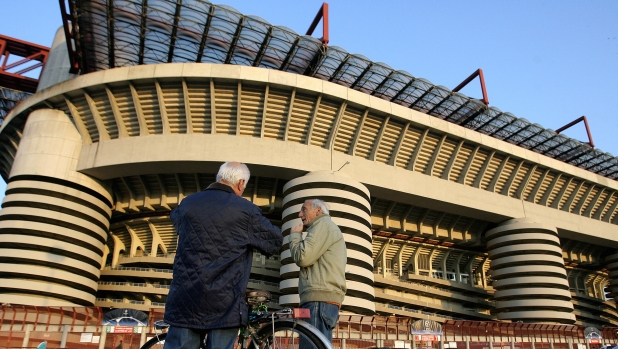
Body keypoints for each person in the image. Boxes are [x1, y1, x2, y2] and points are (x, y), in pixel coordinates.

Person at [163, 162, 283, 349]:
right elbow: (274, 242)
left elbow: (176, 220)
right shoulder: (246, 211)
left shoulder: (188, 202)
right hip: (225, 303)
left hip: (186, 297)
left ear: (220, 177)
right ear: (241, 183)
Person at [289, 199, 347, 344]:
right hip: (322, 300)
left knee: (312, 345)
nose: (299, 214)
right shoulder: (325, 228)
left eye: (304, 209)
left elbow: (302, 257)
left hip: (318, 300)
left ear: (318, 211)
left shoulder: (322, 226)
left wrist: (295, 236)